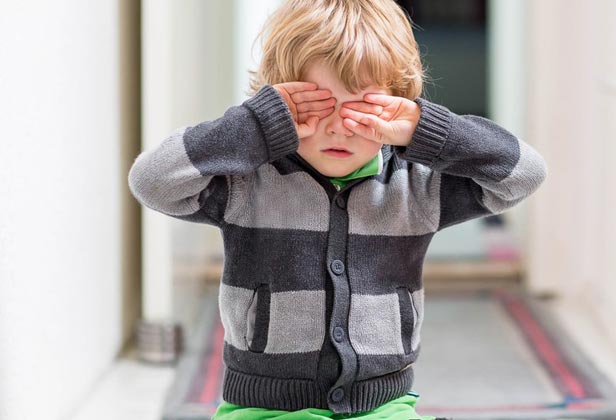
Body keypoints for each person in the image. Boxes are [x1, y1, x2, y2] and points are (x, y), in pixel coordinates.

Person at [127, 0, 548, 419]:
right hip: (264, 408)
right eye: (317, 106)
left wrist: (426, 130)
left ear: (394, 110)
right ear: (282, 106)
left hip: (383, 407)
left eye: (362, 109)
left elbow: (524, 174)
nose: (337, 126)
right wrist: (255, 125)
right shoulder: (248, 183)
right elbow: (152, 181)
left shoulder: (414, 187)